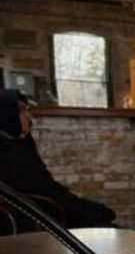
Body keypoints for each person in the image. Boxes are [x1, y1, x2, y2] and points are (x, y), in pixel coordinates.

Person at [0, 88, 117, 231]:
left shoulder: (18, 145)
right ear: (7, 114)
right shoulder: (11, 154)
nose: (29, 117)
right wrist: (94, 211)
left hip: (45, 215)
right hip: (44, 224)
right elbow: (49, 195)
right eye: (22, 111)